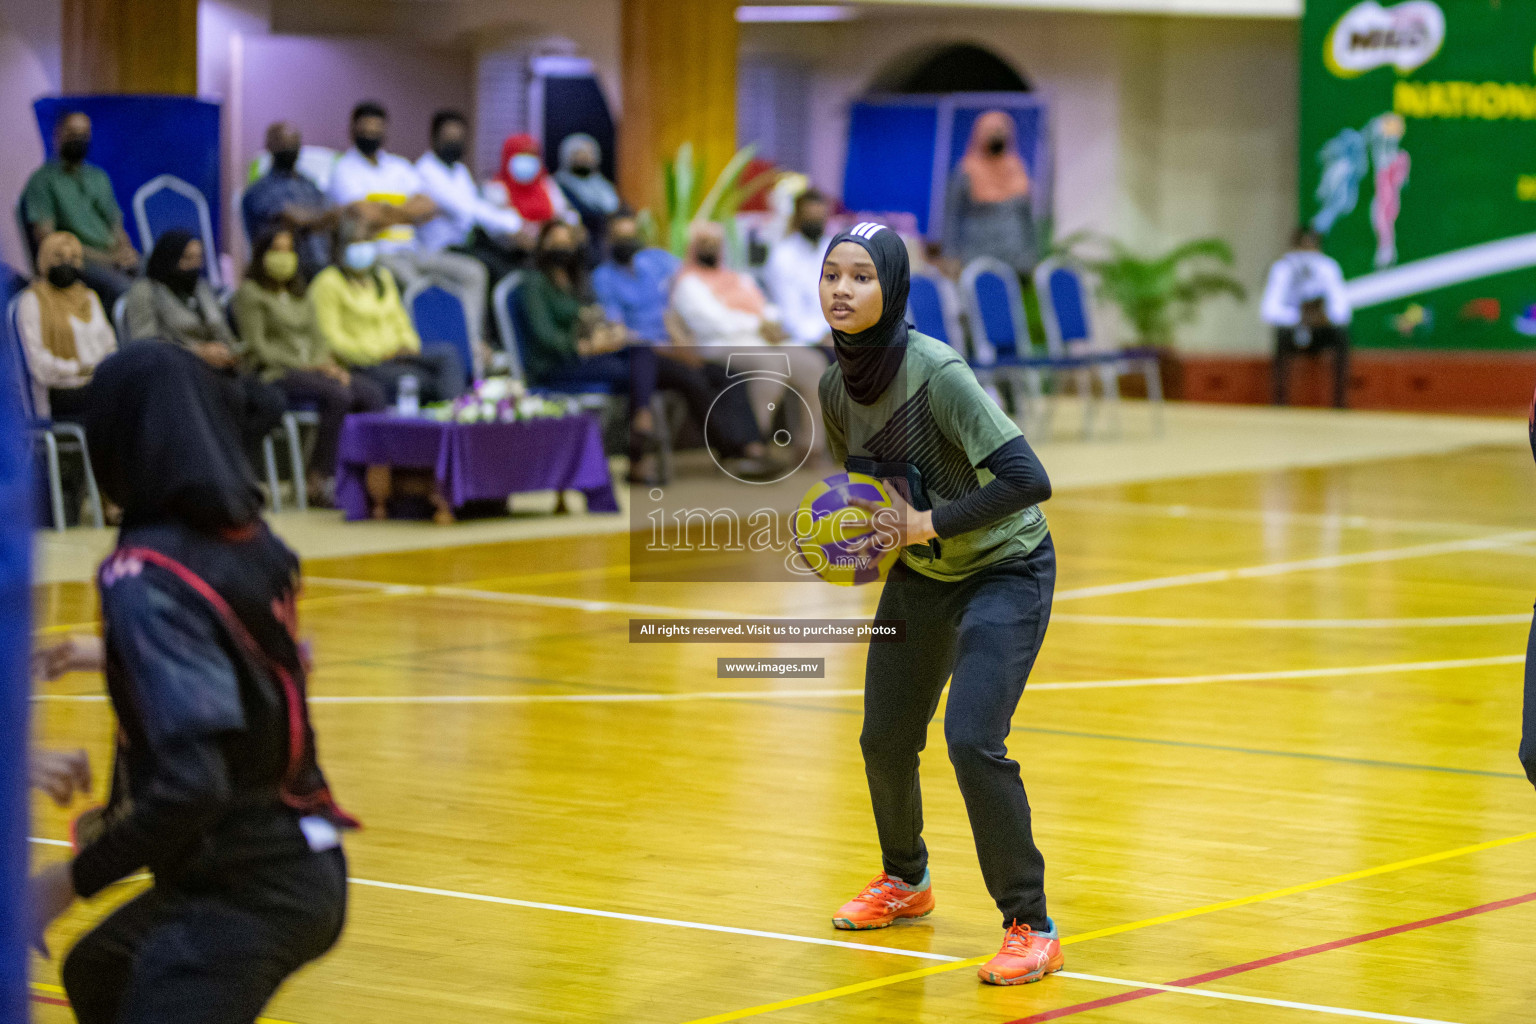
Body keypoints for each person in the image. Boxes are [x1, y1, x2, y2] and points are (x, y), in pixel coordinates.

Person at [27, 342, 355, 1024]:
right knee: (99, 973)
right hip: (296, 857)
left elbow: (193, 783)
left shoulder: (145, 574)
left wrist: (65, 883)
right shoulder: (247, 539)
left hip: (249, 884)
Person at [817, 222, 1061, 987]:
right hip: (923, 572)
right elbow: (869, 491)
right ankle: (906, 881)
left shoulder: (938, 373)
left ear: (892, 288)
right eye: (832, 276)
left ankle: (1032, 925)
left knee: (971, 740)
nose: (843, 290)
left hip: (1007, 567)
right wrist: (850, 537)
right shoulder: (833, 387)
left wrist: (928, 522)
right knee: (884, 739)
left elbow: (1029, 479)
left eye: (861, 277)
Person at [518, 221, 767, 481]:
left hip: (632, 353)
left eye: (567, 243)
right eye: (555, 243)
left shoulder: (576, 281)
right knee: (650, 360)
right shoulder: (535, 283)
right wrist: (590, 344)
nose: (563, 249)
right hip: (561, 364)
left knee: (704, 373)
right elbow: (545, 337)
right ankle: (651, 439)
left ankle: (736, 447)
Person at [235, 228, 387, 505]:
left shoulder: (300, 293)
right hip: (275, 373)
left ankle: (366, 478)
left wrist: (324, 365)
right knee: (338, 395)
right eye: (276, 250)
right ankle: (318, 479)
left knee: (371, 394)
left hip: (313, 370)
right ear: (261, 256)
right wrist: (310, 367)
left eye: (289, 250)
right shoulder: (250, 293)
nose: (284, 257)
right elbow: (258, 347)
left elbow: (318, 338)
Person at [327, 101, 489, 350]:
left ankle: (470, 346)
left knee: (473, 273)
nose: (371, 135)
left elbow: (428, 205)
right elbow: (363, 215)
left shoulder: (399, 167)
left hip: (416, 249)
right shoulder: (343, 169)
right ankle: (423, 351)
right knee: (418, 286)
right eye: (365, 130)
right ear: (353, 130)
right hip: (378, 253)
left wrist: (382, 211)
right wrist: (405, 212)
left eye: (376, 130)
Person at [672, 221, 825, 464]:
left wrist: (773, 323)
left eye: (715, 244)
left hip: (760, 340)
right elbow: (712, 323)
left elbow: (765, 307)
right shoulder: (687, 283)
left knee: (812, 364)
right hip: (718, 346)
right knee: (771, 366)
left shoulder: (738, 278)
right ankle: (752, 445)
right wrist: (757, 324)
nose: (710, 249)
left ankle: (810, 447)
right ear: (693, 247)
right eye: (704, 244)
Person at [124, 230, 286, 460]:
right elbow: (144, 345)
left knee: (271, 401)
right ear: (168, 258)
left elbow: (222, 332)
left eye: (198, 259)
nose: (193, 265)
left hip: (219, 369)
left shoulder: (201, 287)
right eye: (186, 259)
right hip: (176, 373)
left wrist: (233, 352)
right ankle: (221, 468)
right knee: (232, 398)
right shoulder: (146, 291)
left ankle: (239, 465)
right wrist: (197, 353)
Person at [310, 216, 465, 403]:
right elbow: (330, 338)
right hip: (364, 363)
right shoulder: (328, 282)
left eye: (366, 241)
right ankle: (452, 420)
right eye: (355, 243)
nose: (362, 248)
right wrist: (377, 353)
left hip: (396, 355)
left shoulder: (382, 277)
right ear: (341, 247)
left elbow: (400, 319)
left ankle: (456, 418)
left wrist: (408, 345)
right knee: (426, 382)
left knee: (447, 355)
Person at [21, 111, 140, 307]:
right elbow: (48, 240)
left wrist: (127, 251)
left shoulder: (98, 177)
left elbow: (116, 224)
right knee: (127, 290)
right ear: (57, 135)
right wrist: (106, 258)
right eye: (72, 132)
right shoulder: (42, 181)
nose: (78, 139)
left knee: (158, 279)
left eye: (84, 134)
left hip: (113, 256)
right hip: (78, 259)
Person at [14, 231, 117, 421]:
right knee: (113, 399)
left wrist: (100, 370)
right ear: (44, 259)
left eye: (74, 258)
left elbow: (110, 346)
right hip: (60, 392)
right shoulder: (32, 301)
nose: (67, 264)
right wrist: (79, 368)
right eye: (59, 257)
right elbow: (39, 365)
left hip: (98, 383)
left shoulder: (89, 297)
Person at [1261, 227, 1352, 409]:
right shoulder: (1283, 269)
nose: (1307, 252)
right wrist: (1297, 316)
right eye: (1303, 246)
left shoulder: (1328, 267)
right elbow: (1268, 310)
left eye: (1311, 246)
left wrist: (1325, 316)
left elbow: (1342, 309)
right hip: (1293, 330)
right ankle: (1280, 402)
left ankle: (1339, 403)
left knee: (1342, 335)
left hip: (1322, 330)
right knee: (1281, 336)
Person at [942, 111, 1037, 277]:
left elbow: (1027, 217)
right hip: (977, 255)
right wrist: (951, 255)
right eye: (991, 131)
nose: (997, 136)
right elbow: (952, 216)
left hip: (1015, 258)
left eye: (1001, 131)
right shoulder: (966, 171)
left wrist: (1032, 256)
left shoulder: (1018, 169)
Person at [241, 122, 340, 280]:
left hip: (321, 270)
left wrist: (317, 218)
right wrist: (321, 218)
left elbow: (335, 215)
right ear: (269, 145)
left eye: (294, 143)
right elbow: (293, 218)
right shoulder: (259, 191)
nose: (289, 147)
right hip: (279, 274)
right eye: (282, 142)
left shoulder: (309, 184)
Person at [591, 214, 680, 345]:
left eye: (630, 237)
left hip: (676, 335)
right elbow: (616, 326)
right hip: (642, 346)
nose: (627, 243)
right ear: (609, 240)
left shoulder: (656, 259)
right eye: (621, 239)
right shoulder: (603, 277)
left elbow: (689, 276)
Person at [763, 188, 834, 348]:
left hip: (838, 334)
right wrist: (821, 336)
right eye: (811, 216)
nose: (816, 221)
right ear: (798, 217)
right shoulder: (783, 256)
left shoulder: (835, 250)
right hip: (803, 340)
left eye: (819, 216)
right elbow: (789, 313)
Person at [487, 134, 578, 231]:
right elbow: (495, 222)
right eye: (522, 155)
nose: (528, 160)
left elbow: (563, 212)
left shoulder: (546, 184)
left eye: (532, 155)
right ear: (508, 157)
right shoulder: (496, 189)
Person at [553, 133, 622, 244]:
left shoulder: (604, 187)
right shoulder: (557, 186)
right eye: (577, 153)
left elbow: (613, 209)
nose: (583, 158)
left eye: (587, 154)